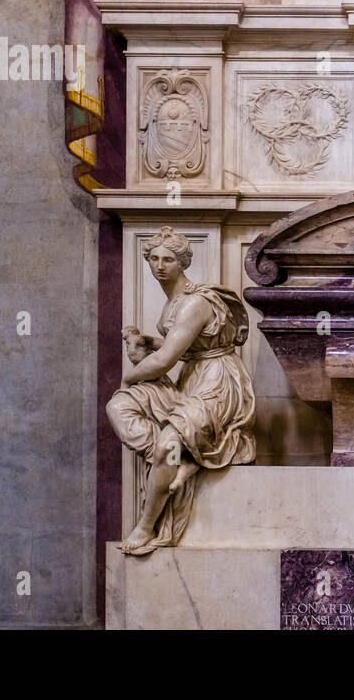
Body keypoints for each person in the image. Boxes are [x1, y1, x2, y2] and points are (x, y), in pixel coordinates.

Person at [106, 226, 257, 555]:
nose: (160, 265)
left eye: (169, 259)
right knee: (119, 407)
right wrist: (150, 342)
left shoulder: (194, 302)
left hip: (218, 383)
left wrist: (130, 377)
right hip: (192, 378)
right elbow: (183, 346)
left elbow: (164, 362)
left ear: (183, 263)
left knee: (166, 441)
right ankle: (181, 460)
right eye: (154, 258)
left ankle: (146, 526)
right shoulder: (175, 301)